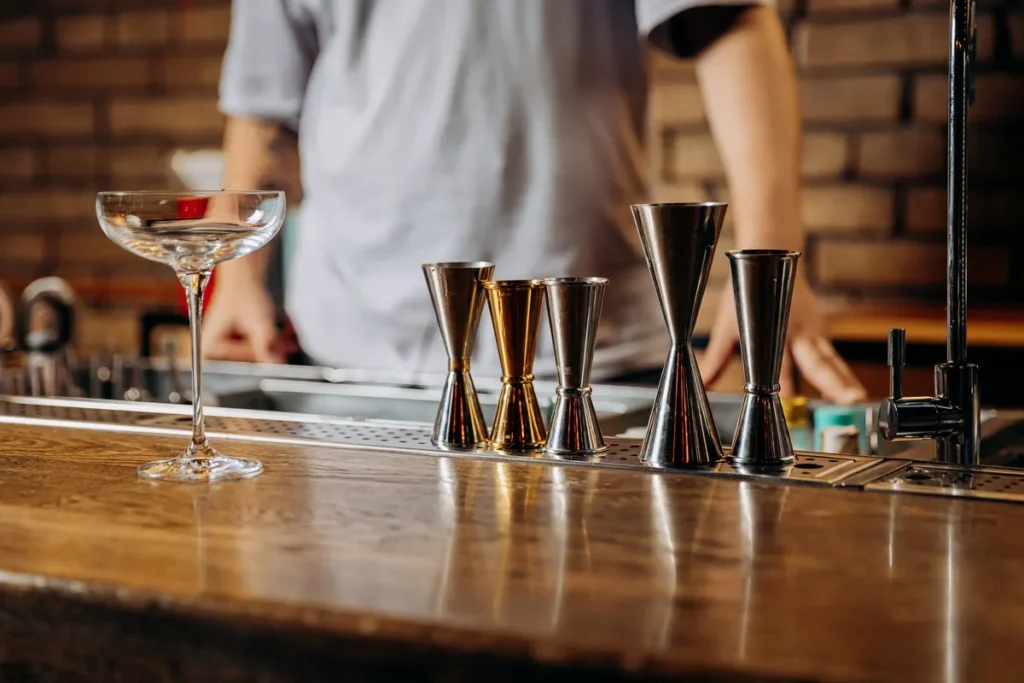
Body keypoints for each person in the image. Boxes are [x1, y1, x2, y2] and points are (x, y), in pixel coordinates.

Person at [204, 0, 867, 404]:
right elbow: (266, 104)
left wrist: (772, 257)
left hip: (589, 348)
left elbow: (729, 21)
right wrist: (236, 277)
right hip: (346, 348)